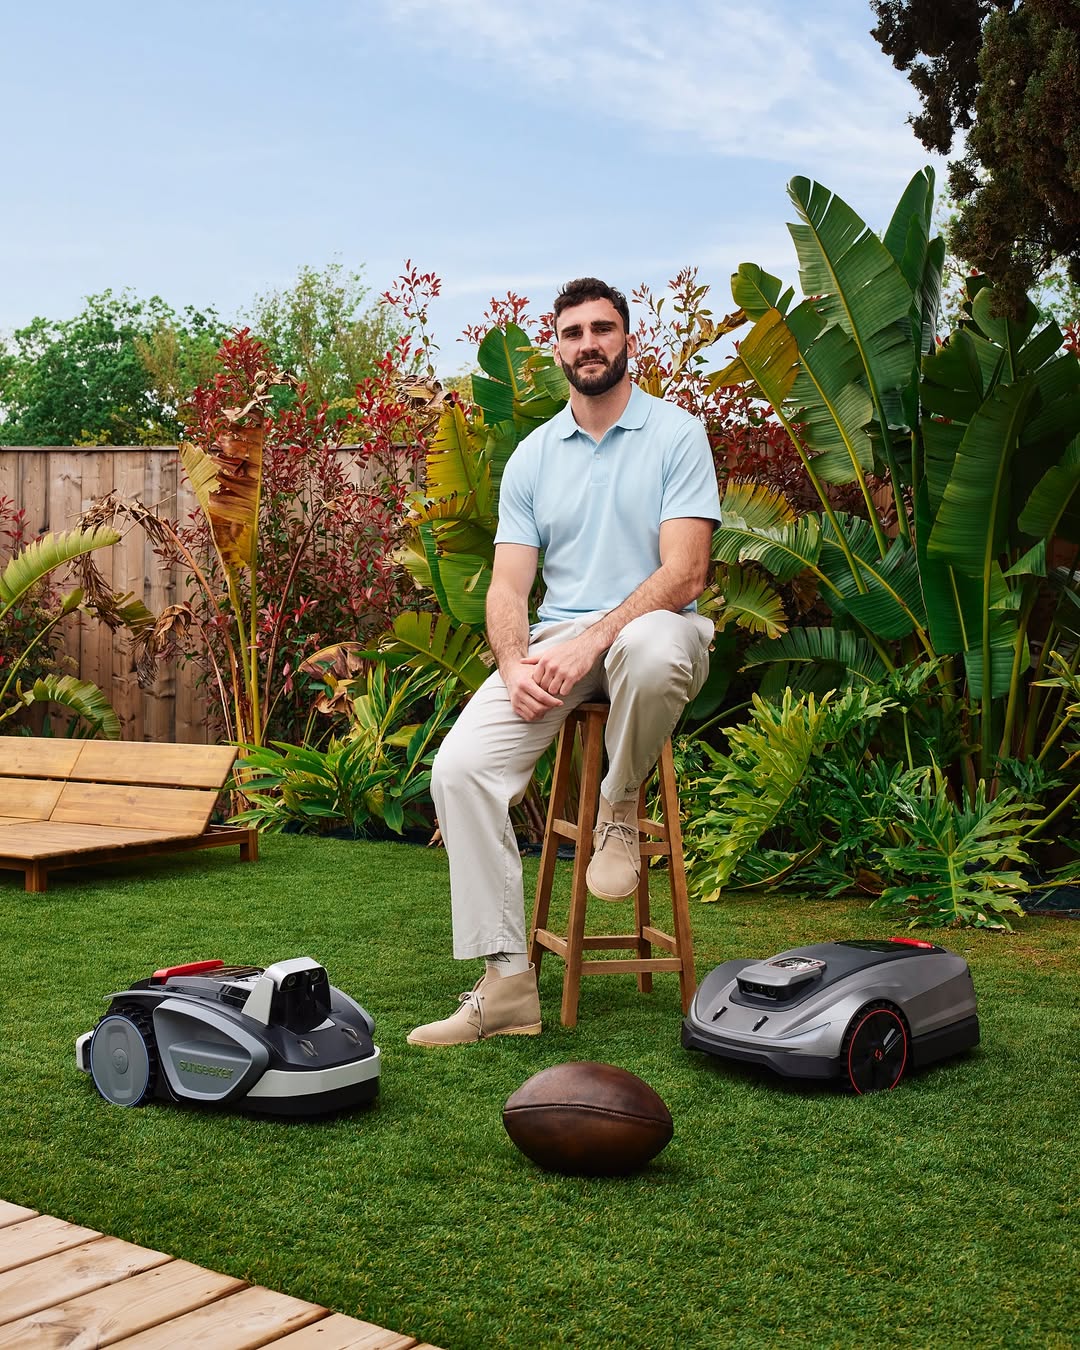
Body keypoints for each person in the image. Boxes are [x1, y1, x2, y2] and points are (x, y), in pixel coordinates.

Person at [407, 277, 721, 1047]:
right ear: (557, 347)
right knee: (460, 769)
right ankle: (508, 983)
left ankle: (615, 804)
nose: (589, 342)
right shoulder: (534, 455)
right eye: (574, 331)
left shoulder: (677, 435)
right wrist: (514, 664)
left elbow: (685, 574)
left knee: (645, 645)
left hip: (659, 631)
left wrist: (594, 636)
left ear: (627, 341)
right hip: (555, 649)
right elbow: (510, 585)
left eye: (603, 328)